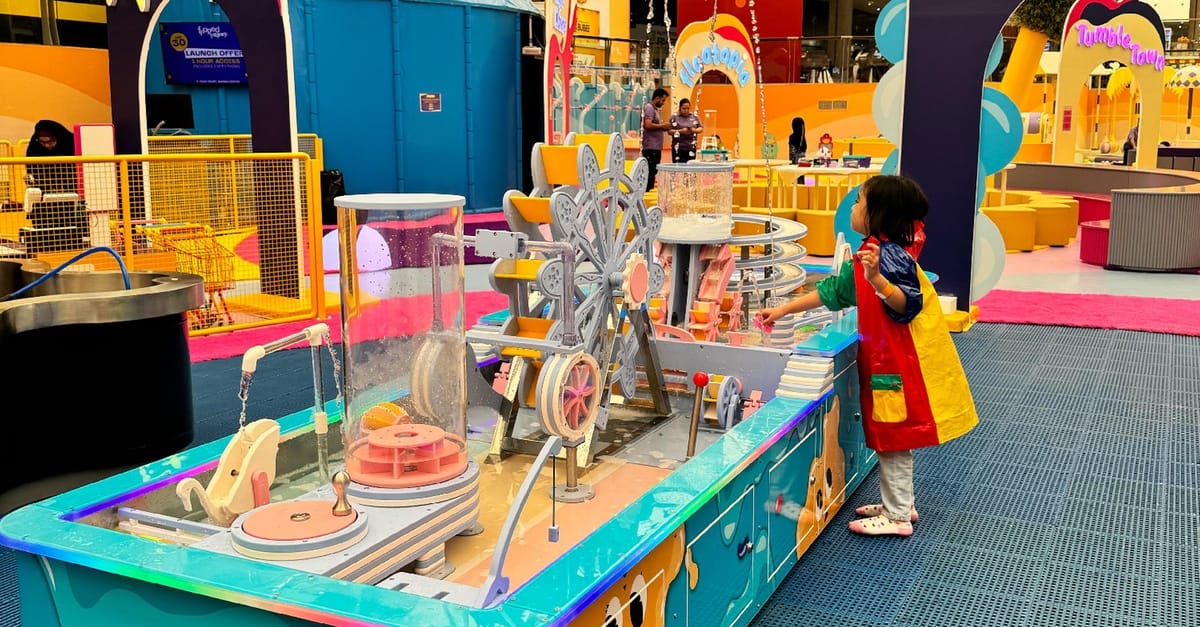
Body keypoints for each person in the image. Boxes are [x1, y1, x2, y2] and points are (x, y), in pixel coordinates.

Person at [758, 175, 979, 537]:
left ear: (879, 214)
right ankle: (899, 503)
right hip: (884, 362)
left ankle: (897, 516)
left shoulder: (889, 257)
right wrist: (784, 310)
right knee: (887, 435)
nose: (853, 207)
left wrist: (876, 278)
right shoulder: (871, 252)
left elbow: (906, 304)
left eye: (860, 201)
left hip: (897, 364)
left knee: (894, 438)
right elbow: (835, 291)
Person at [25, 120, 77, 194]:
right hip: (46, 186)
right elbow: (33, 170)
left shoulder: (70, 143)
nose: (46, 145)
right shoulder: (34, 147)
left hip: (71, 184)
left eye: (51, 142)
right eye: (42, 142)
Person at [641, 87, 671, 190]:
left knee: (653, 171)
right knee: (650, 171)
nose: (663, 103)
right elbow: (647, 125)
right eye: (663, 100)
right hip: (650, 146)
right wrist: (662, 126)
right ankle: (646, 191)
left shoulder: (654, 110)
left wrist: (664, 127)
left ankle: (648, 190)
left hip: (655, 146)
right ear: (657, 98)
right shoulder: (649, 108)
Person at [668, 98, 703, 164]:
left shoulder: (694, 117)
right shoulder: (674, 117)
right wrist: (680, 131)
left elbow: (701, 128)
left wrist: (694, 130)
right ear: (680, 108)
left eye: (688, 108)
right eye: (684, 109)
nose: (686, 110)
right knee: (678, 167)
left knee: (690, 167)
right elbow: (669, 131)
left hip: (691, 148)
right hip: (678, 148)